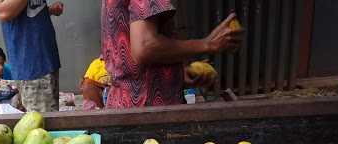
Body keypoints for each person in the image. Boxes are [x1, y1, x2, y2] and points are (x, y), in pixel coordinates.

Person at [101, 1, 244, 109]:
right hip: (149, 112)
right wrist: (208, 44)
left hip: (124, 106)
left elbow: (126, 44)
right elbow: (145, 46)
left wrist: (177, 72)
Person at [0, 0, 64, 112]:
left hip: (46, 58)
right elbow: (4, 12)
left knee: (49, 117)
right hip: (33, 66)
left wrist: (49, 10)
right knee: (43, 122)